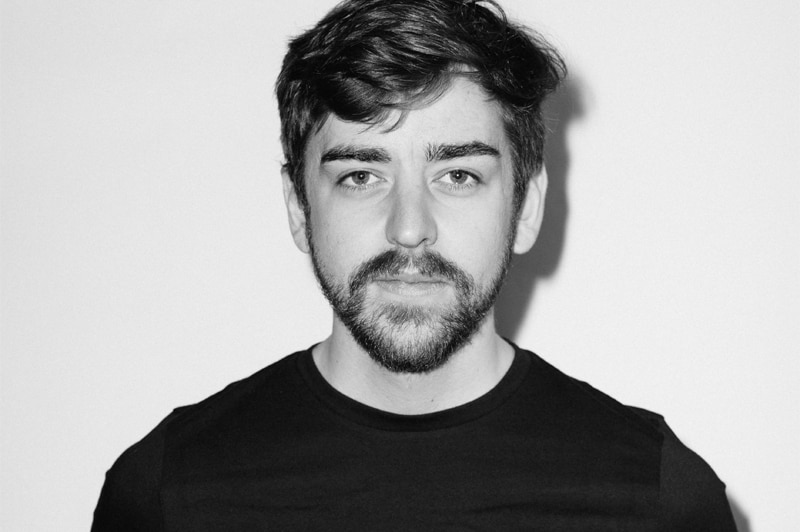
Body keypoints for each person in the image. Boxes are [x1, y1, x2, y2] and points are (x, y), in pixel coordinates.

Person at [92, 0, 737, 530]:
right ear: (297, 206)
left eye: (457, 174)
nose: (409, 227)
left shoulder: (658, 498)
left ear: (527, 206)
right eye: (361, 175)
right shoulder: (167, 494)